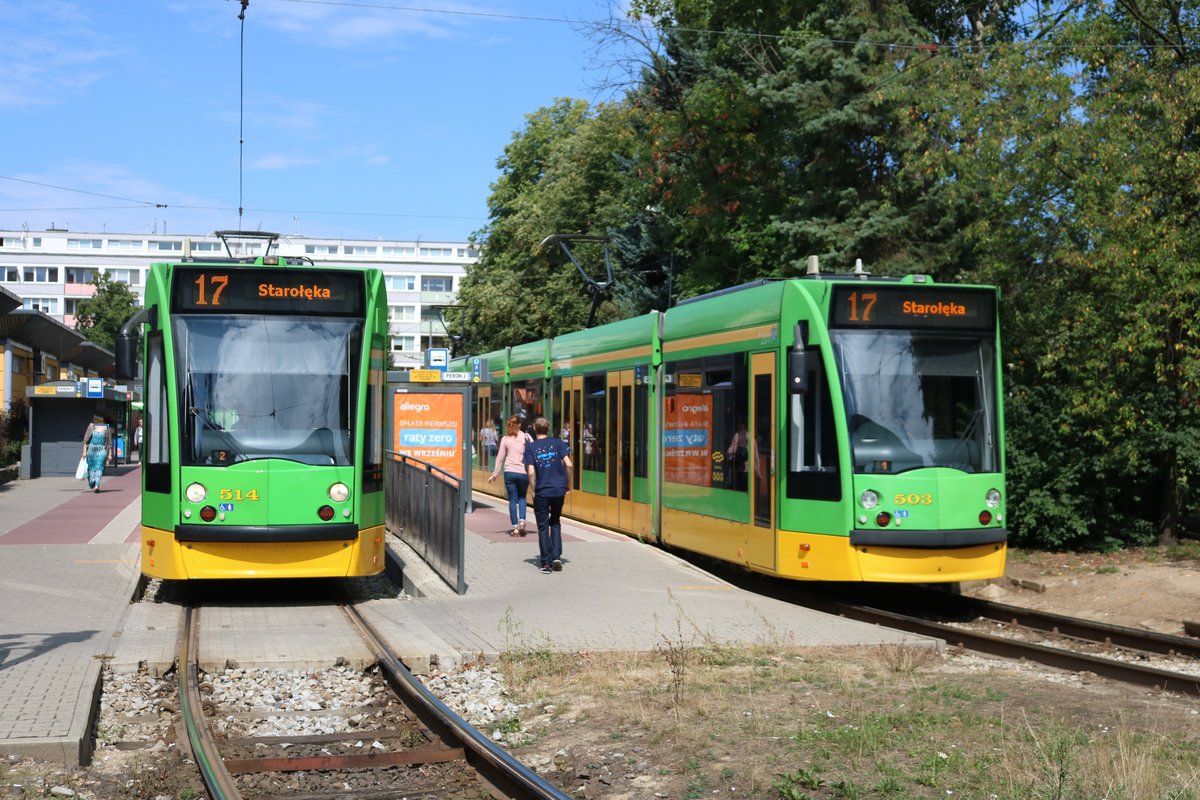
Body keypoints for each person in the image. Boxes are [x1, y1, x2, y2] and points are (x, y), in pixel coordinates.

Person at [524, 416, 573, 573]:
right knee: (555, 522)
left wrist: (533, 490)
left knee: (543, 527)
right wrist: (568, 484)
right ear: (548, 428)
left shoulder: (531, 447)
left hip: (542, 492)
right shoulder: (558, 443)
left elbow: (531, 473)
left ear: (535, 429)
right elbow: (569, 464)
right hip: (559, 490)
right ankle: (557, 556)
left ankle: (546, 563)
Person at [486, 416, 532, 537]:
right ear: (520, 425)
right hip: (524, 472)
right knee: (522, 497)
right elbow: (534, 452)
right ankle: (522, 520)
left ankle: (515, 528)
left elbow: (500, 458)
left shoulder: (505, 439)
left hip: (509, 473)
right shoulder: (526, 437)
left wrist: (494, 474)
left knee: (512, 499)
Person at [81, 415, 113, 493]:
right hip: (91, 450)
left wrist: (109, 454)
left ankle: (97, 485)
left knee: (99, 467)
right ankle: (92, 483)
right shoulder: (91, 426)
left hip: (102, 450)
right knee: (91, 469)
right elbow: (85, 440)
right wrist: (84, 452)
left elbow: (109, 443)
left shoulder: (107, 428)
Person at [727, 420, 749, 491]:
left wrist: (728, 452)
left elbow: (732, 449)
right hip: (748, 467)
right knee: (746, 487)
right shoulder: (751, 436)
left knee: (738, 486)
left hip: (739, 465)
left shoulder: (737, 435)